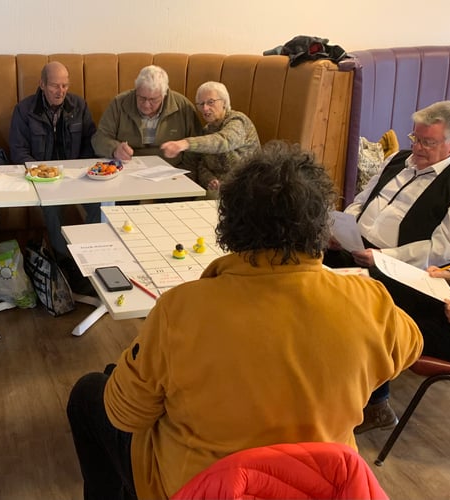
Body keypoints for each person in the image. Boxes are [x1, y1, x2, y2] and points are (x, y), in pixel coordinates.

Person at [66, 141, 423, 500]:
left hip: (204, 488)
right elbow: (410, 346)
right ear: (320, 225)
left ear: (230, 224)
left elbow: (124, 414)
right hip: (320, 487)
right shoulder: (368, 303)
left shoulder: (181, 309)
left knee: (89, 393)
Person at [325, 100, 450, 433]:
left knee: (363, 307)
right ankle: (311, 373)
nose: (416, 147)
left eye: (428, 142)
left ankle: (376, 403)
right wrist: (344, 229)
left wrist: (385, 258)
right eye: (415, 137)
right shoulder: (399, 159)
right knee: (302, 269)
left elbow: (442, 250)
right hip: (357, 249)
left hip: (406, 273)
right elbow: (362, 199)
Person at [9, 61, 99, 291]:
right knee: (52, 208)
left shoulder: (79, 105)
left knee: (101, 206)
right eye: (55, 86)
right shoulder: (24, 109)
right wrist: (40, 173)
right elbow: (18, 151)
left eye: (65, 86)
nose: (61, 92)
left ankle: (87, 261)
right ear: (41, 84)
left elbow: (91, 144)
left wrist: (81, 173)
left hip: (76, 176)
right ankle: (64, 263)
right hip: (42, 178)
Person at [160, 81, 261, 194]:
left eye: (210, 102)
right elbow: (202, 165)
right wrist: (210, 180)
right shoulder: (207, 130)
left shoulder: (238, 120)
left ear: (224, 102)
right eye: (201, 104)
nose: (205, 108)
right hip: (218, 191)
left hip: (246, 188)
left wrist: (185, 143)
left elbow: (225, 141)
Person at [91, 65, 201, 169]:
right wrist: (114, 149)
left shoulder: (183, 107)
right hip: (128, 168)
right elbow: (99, 139)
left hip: (171, 169)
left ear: (164, 94)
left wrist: (185, 173)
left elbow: (196, 145)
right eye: (141, 98)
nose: (146, 104)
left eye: (153, 100)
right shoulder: (119, 103)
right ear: (136, 90)